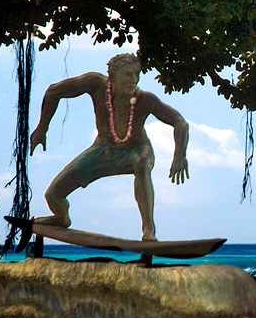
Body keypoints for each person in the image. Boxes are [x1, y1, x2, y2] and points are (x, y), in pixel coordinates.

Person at [29, 53, 189, 241]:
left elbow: (180, 123)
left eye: (137, 74)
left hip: (136, 150)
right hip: (102, 151)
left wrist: (180, 155)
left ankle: (149, 230)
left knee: (142, 164)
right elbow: (54, 91)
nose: (134, 80)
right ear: (112, 76)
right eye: (128, 74)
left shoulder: (145, 99)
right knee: (53, 196)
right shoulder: (96, 84)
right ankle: (61, 218)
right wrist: (42, 127)